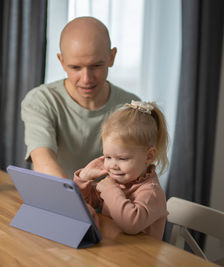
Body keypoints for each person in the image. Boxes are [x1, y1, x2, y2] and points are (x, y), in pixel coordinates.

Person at [21, 16, 140, 178]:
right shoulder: (41, 101)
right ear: (61, 61)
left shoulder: (130, 107)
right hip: (59, 198)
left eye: (96, 66)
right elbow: (42, 160)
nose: (86, 79)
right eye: (75, 67)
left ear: (111, 57)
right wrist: (73, 200)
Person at [74, 101, 169, 239]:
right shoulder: (117, 182)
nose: (113, 165)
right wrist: (83, 178)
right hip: (113, 251)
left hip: (139, 258)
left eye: (122, 159)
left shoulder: (152, 193)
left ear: (149, 156)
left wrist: (110, 190)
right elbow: (82, 203)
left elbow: (131, 223)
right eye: (108, 157)